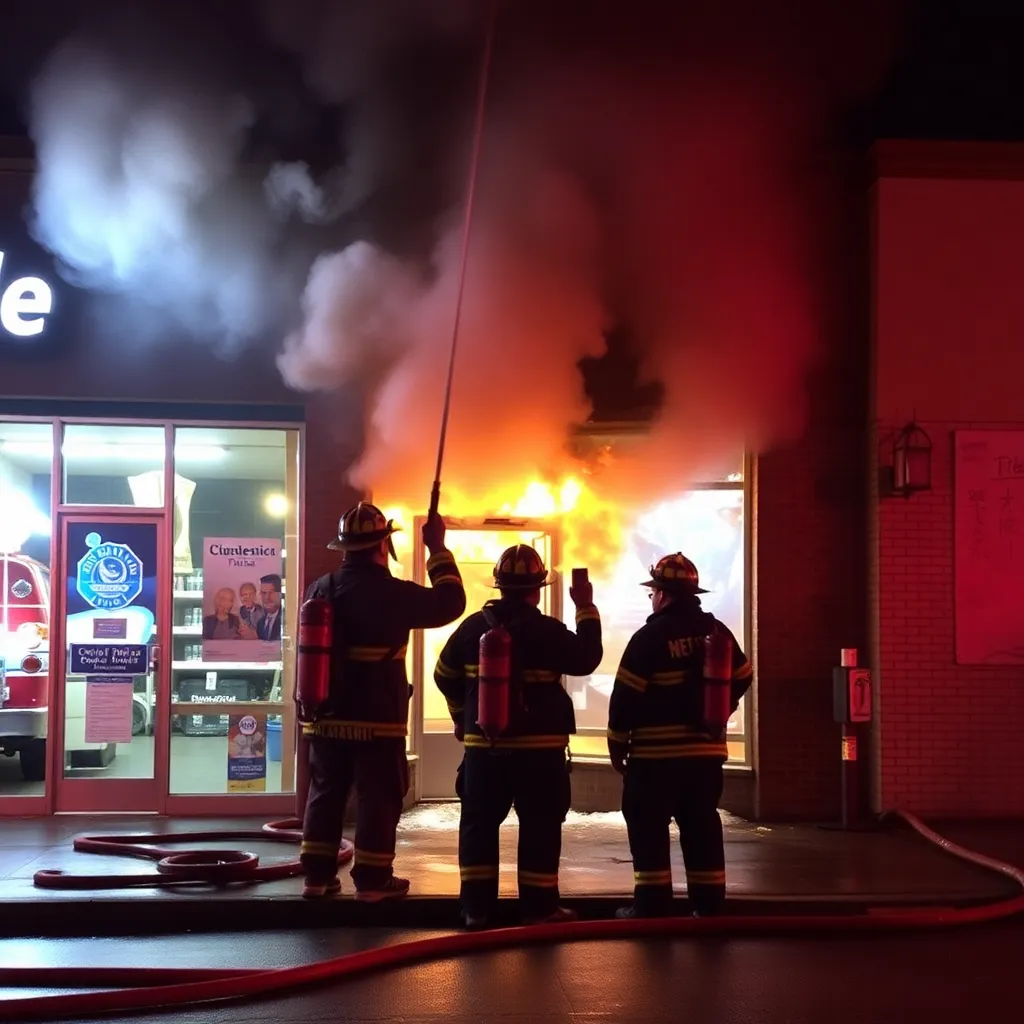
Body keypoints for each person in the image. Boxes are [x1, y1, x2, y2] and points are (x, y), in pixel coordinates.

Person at [299, 502, 466, 901]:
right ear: (383, 545)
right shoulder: (394, 592)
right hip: (379, 717)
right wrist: (437, 548)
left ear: (343, 547)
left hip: (326, 714)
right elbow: (451, 602)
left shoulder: (320, 589)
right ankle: (373, 882)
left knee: (325, 793)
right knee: (379, 794)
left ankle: (316, 879)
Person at [433, 545, 603, 929]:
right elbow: (587, 657)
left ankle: (476, 910)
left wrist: (464, 718)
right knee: (541, 827)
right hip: (539, 753)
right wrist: (586, 608)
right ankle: (540, 909)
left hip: (484, 749)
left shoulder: (473, 627)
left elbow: (443, 675)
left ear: (500, 584)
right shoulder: (548, 630)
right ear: (537, 588)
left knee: (478, 825)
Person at [606, 552, 753, 919]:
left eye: (653, 591)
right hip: (704, 758)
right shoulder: (716, 632)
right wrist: (724, 708)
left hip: (655, 760)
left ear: (663, 594)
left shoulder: (650, 636)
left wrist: (616, 742)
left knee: (648, 829)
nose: (652, 598)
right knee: (702, 826)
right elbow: (744, 673)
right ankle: (709, 906)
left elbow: (625, 695)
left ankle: (651, 907)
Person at [256, 574, 283, 641]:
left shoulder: (286, 620)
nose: (267, 598)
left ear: (280, 594)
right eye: (263, 593)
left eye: (271, 592)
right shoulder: (260, 623)